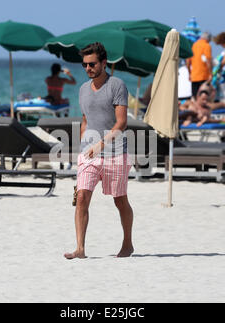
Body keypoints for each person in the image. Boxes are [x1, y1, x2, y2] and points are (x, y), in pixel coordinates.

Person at [64, 42, 134, 260]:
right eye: (84, 65)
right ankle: (80, 249)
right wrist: (81, 149)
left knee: (120, 200)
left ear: (104, 63)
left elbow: (121, 123)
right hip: (89, 154)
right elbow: (85, 120)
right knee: (82, 197)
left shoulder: (117, 85)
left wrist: (100, 144)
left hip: (115, 154)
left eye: (92, 64)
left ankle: (127, 243)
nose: (88, 69)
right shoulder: (83, 89)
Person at [187, 32, 213, 98]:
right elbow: (208, 61)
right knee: (205, 96)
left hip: (194, 76)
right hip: (204, 76)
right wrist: (210, 74)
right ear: (208, 39)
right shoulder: (207, 46)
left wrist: (189, 73)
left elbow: (188, 61)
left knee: (195, 96)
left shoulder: (194, 45)